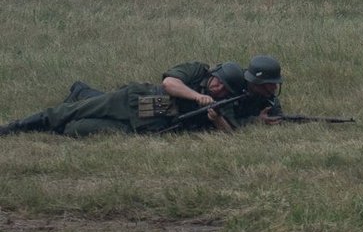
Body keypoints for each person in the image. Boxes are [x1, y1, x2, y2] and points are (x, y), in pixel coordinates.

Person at [2, 55, 284, 137]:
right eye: (217, 84)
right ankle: (14, 128)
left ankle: (81, 93)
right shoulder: (196, 71)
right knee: (64, 114)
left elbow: (232, 130)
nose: (218, 90)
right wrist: (198, 98)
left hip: (150, 125)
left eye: (225, 89)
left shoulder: (230, 101)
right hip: (133, 100)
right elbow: (170, 84)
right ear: (213, 74)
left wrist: (218, 120)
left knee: (76, 129)